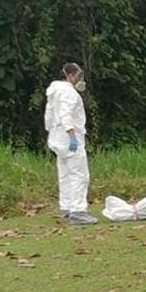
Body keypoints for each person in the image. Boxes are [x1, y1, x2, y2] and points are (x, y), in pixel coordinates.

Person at [44, 63, 98, 225]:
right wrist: (71, 134)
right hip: (69, 139)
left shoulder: (55, 92)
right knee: (80, 175)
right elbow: (65, 114)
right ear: (71, 75)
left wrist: (52, 132)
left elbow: (49, 116)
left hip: (57, 139)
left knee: (65, 174)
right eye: (79, 75)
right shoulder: (68, 93)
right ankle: (78, 211)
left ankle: (66, 207)